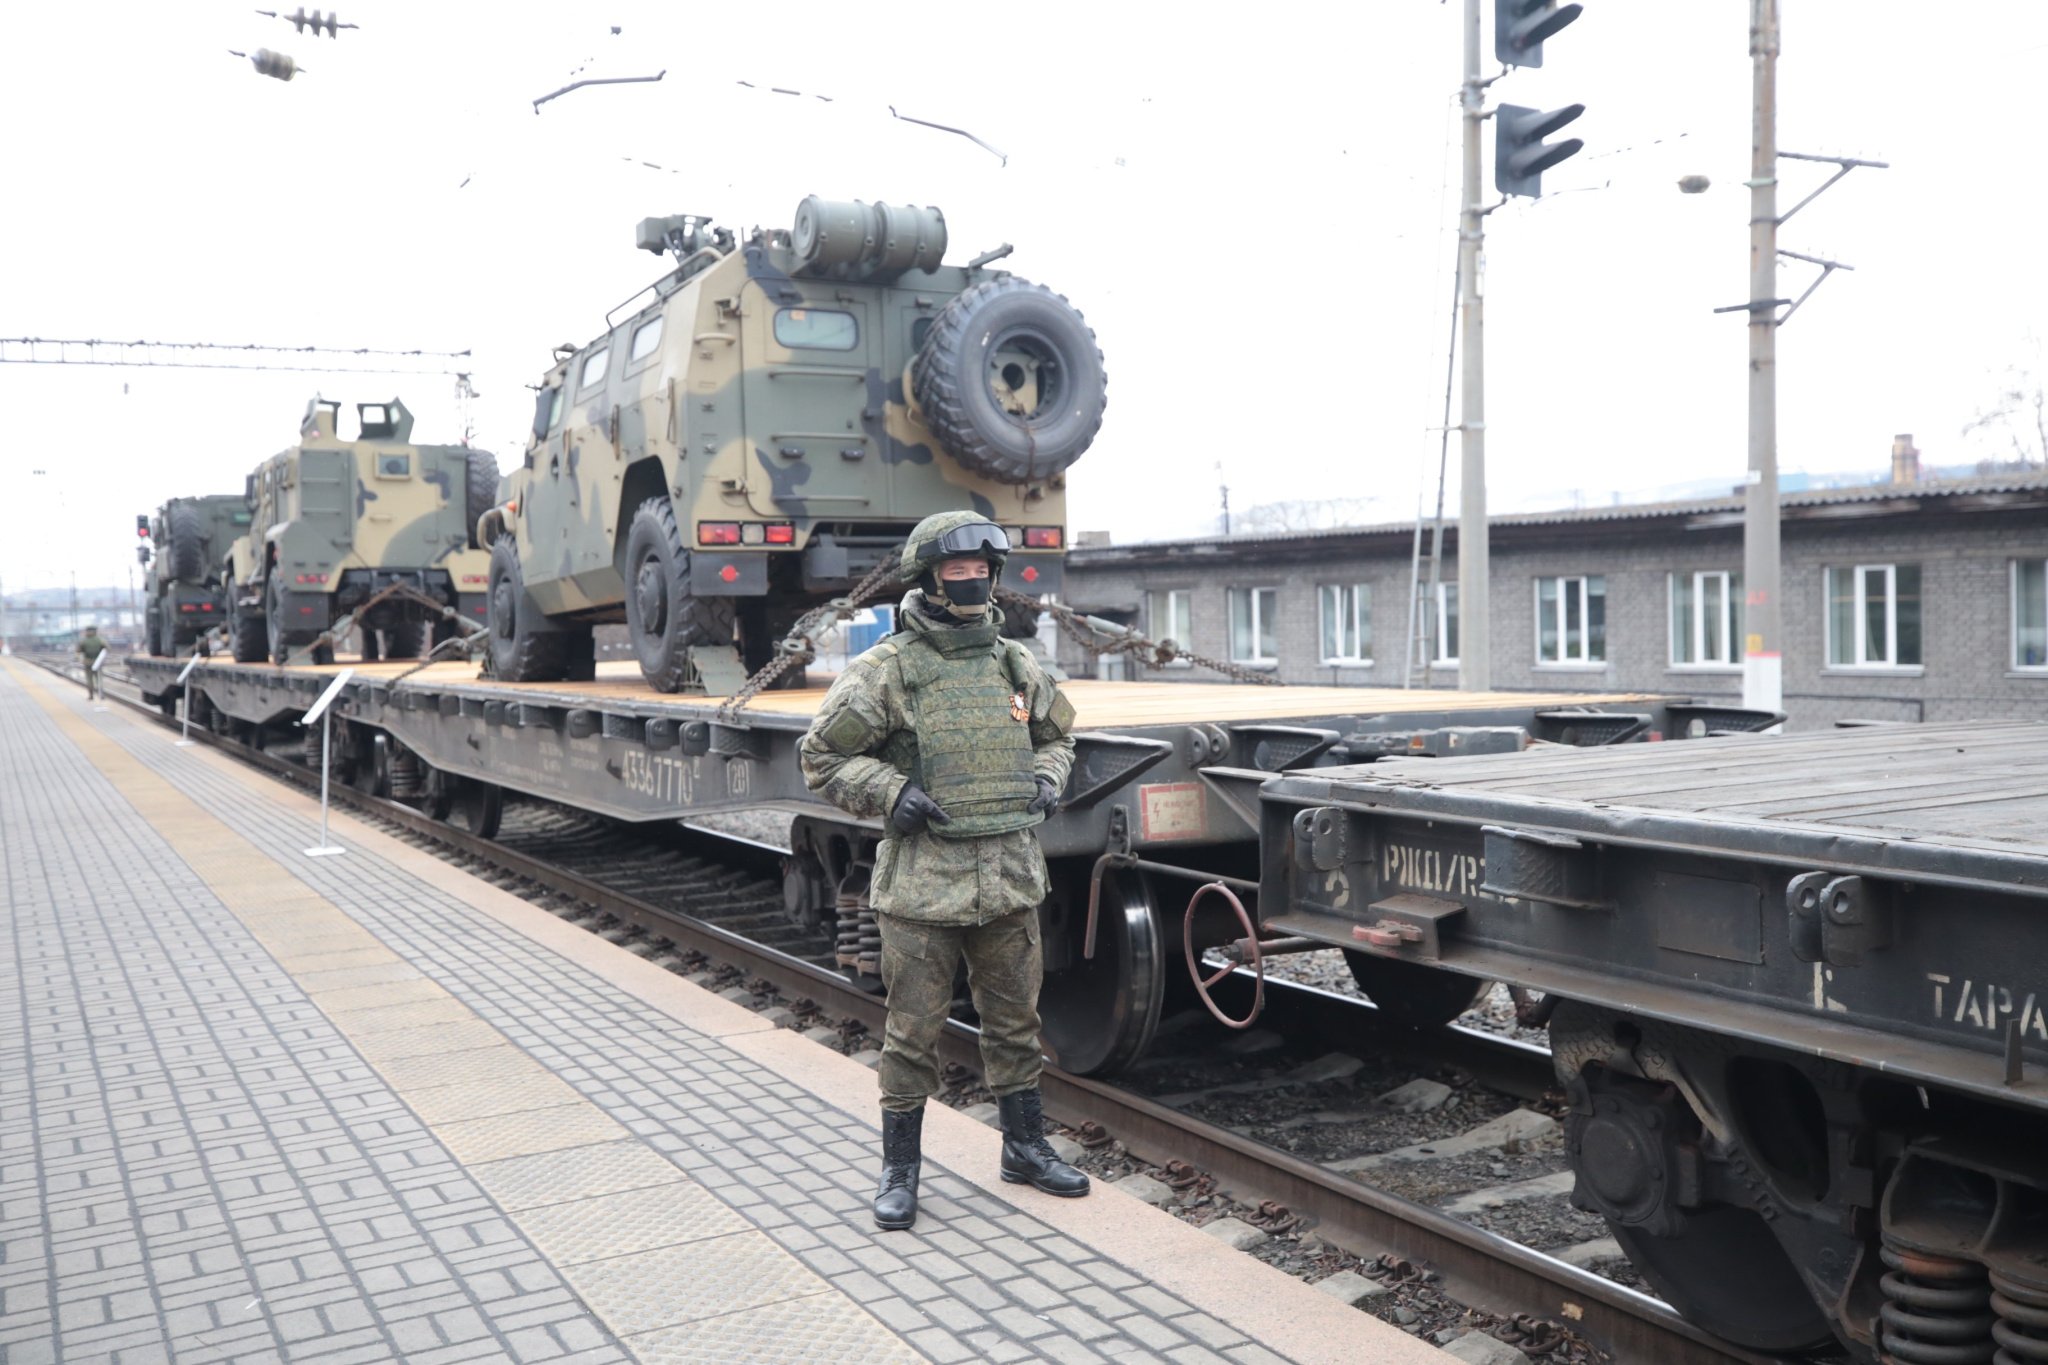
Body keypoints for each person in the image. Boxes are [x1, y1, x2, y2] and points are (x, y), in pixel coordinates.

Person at [799, 511, 1090, 1231]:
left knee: (1017, 1025)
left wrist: (1050, 777)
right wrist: (891, 792)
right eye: (956, 571)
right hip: (924, 891)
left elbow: (1058, 736)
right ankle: (900, 1170)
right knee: (912, 1035)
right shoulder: (888, 669)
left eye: (982, 571)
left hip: (1009, 881)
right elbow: (821, 756)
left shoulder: (1013, 664)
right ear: (930, 577)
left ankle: (1023, 1146)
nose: (970, 581)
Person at [76, 625, 108, 700]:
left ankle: (91, 695)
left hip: (87, 662)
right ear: (95, 631)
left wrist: (80, 660)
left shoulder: (83, 641)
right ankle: (101, 695)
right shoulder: (100, 640)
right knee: (99, 679)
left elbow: (78, 651)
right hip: (98, 662)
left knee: (89, 679)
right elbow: (107, 649)